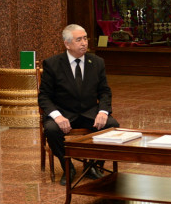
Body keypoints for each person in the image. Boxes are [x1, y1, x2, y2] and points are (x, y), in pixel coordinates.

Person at [38, 24, 119, 185]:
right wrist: (57, 116)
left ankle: (93, 165)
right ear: (67, 44)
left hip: (90, 112)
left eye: (85, 39)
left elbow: (104, 92)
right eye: (79, 40)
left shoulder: (97, 62)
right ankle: (67, 166)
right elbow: (44, 97)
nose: (84, 43)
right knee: (52, 130)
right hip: (63, 113)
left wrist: (103, 111)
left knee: (112, 126)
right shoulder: (52, 64)